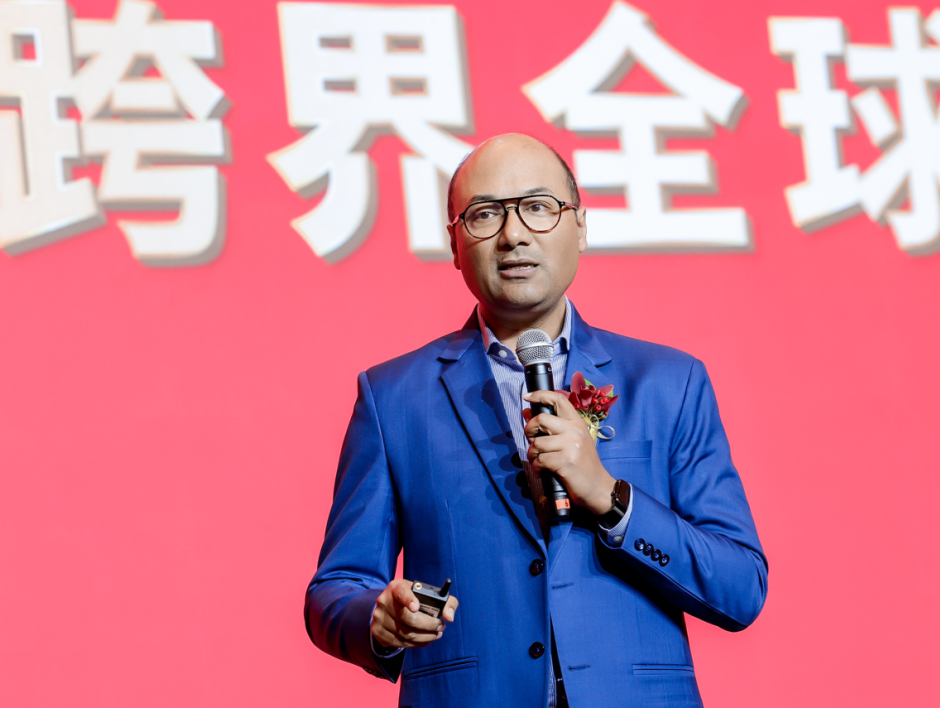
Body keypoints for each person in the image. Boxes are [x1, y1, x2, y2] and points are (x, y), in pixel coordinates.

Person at [305, 134, 767, 708]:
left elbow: (740, 586)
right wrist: (375, 621)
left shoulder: (670, 382)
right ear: (454, 244)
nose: (514, 234)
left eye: (538, 207)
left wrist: (611, 498)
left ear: (580, 226)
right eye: (485, 214)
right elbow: (335, 589)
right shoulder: (392, 397)